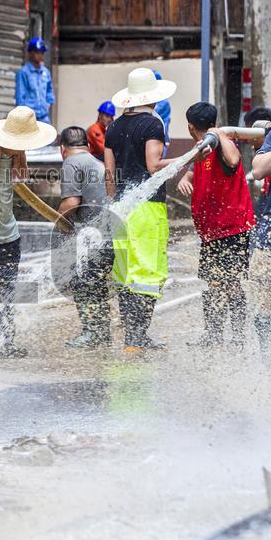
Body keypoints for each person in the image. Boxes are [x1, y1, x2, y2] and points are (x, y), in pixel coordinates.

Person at [0, 105, 55, 358]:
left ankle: (6, 342)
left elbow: (20, 178)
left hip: (9, 237)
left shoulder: (15, 158)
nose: (24, 148)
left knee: (7, 294)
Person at [103, 68, 178, 354]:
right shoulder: (153, 125)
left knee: (124, 273)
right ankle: (137, 336)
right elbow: (153, 165)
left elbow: (109, 173)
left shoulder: (113, 127)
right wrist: (189, 156)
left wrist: (113, 203)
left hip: (121, 207)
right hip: (147, 208)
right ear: (155, 98)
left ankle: (131, 334)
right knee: (147, 274)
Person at [177, 103, 256, 349]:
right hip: (211, 232)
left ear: (190, 127)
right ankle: (213, 335)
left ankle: (239, 338)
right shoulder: (201, 147)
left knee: (231, 283)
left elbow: (233, 160)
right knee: (213, 283)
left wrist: (220, 133)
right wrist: (185, 178)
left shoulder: (221, 143)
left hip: (232, 228)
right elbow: (193, 169)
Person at [56, 126, 111, 348]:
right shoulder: (97, 163)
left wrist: (59, 222)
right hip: (108, 233)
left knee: (83, 285)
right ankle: (101, 333)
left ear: (63, 149)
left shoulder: (71, 163)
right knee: (97, 286)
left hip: (89, 236)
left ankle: (91, 333)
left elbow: (71, 202)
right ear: (88, 146)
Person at [15, 37, 55, 124]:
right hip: (28, 119)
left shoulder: (45, 72)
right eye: (37, 52)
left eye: (42, 52)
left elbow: (49, 91)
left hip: (44, 118)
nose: (40, 55)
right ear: (30, 53)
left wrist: (47, 105)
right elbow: (20, 97)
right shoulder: (23, 72)